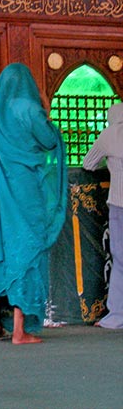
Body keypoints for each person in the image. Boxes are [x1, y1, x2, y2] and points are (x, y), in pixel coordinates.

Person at [0, 63, 67, 344]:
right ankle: (20, 329)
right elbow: (48, 141)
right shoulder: (28, 108)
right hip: (23, 192)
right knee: (26, 250)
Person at [83, 102, 123, 329]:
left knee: (120, 259)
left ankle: (117, 315)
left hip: (119, 203)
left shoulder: (109, 134)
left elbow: (88, 163)